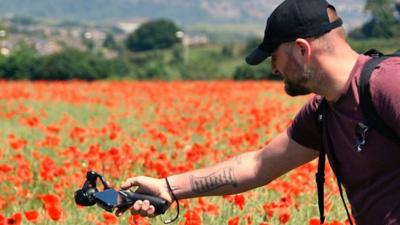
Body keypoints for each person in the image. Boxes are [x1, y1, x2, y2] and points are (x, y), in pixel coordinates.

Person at [116, 0, 400, 224]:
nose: (274, 68)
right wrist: (168, 187)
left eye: (274, 56)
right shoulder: (322, 112)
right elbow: (257, 166)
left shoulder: (386, 85)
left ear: (302, 50)